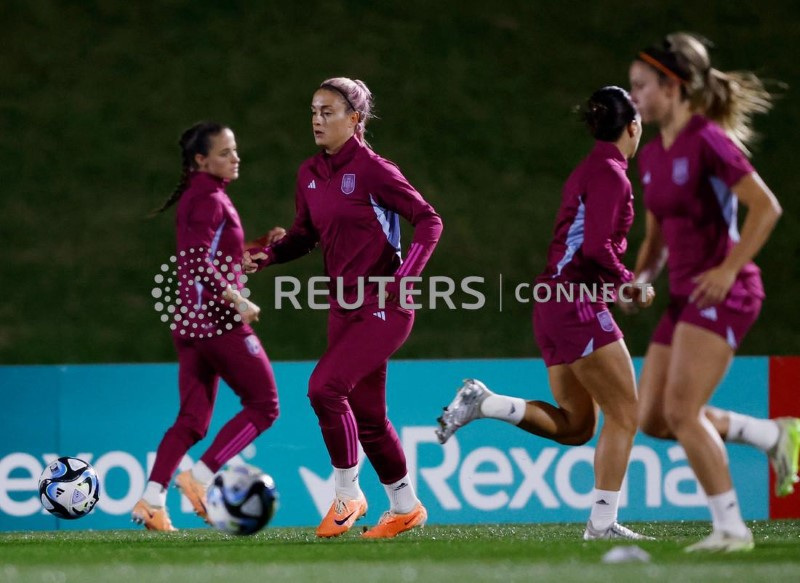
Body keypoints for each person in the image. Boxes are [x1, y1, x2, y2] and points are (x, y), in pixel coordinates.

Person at [437, 87, 654, 541]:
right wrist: (627, 281)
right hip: (576, 304)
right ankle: (601, 524)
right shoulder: (613, 174)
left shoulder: (588, 170)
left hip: (554, 305)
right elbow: (595, 248)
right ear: (632, 126)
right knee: (627, 414)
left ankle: (486, 402)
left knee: (577, 427)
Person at [244, 77, 442, 538]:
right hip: (343, 307)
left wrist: (406, 275)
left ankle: (348, 493)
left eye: (328, 111)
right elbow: (303, 235)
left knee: (323, 389)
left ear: (355, 119)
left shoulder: (375, 170)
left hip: (386, 304)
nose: (317, 119)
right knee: (369, 417)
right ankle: (406, 507)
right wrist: (267, 256)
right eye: (313, 110)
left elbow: (429, 220)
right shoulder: (309, 173)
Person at [627, 32, 798, 552]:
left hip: (726, 291)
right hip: (683, 295)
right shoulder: (653, 155)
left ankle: (731, 529)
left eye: (642, 86)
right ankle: (774, 436)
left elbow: (766, 207)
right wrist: (640, 279)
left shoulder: (708, 139)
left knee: (683, 412)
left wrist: (728, 269)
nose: (633, 98)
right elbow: (655, 238)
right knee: (654, 418)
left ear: (673, 86)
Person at [131, 122, 280, 531]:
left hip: (192, 323)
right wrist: (235, 298)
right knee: (265, 406)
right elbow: (195, 260)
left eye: (235, 151)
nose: (236, 158)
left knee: (192, 421)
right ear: (201, 160)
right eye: (226, 152)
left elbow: (216, 259)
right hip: (216, 321)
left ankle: (151, 501)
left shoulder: (207, 197)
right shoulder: (207, 199)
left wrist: (262, 246)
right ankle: (199, 478)